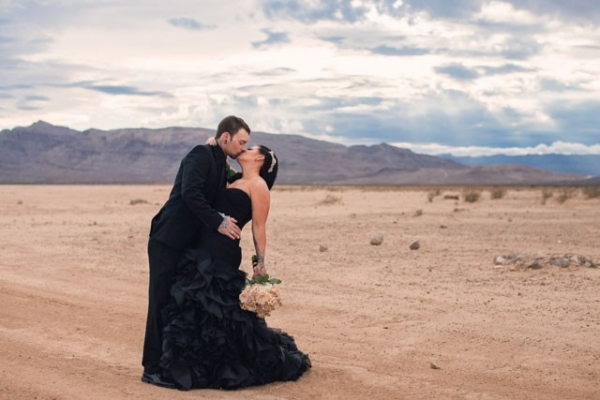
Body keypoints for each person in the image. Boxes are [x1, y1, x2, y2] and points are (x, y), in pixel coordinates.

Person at [158, 145, 311, 390]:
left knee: (217, 302)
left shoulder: (258, 185)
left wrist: (260, 262)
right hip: (201, 244)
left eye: (249, 148)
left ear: (259, 158)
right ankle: (197, 363)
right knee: (194, 302)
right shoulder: (234, 178)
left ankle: (225, 365)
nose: (244, 148)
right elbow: (217, 157)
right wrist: (211, 144)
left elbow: (258, 227)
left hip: (222, 249)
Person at [141, 116, 251, 388]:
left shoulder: (218, 160)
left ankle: (167, 364)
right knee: (159, 301)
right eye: (241, 142)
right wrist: (219, 222)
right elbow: (190, 194)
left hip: (187, 244)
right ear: (225, 137)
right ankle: (150, 368)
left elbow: (233, 183)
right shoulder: (200, 155)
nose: (243, 149)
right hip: (167, 239)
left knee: (175, 302)